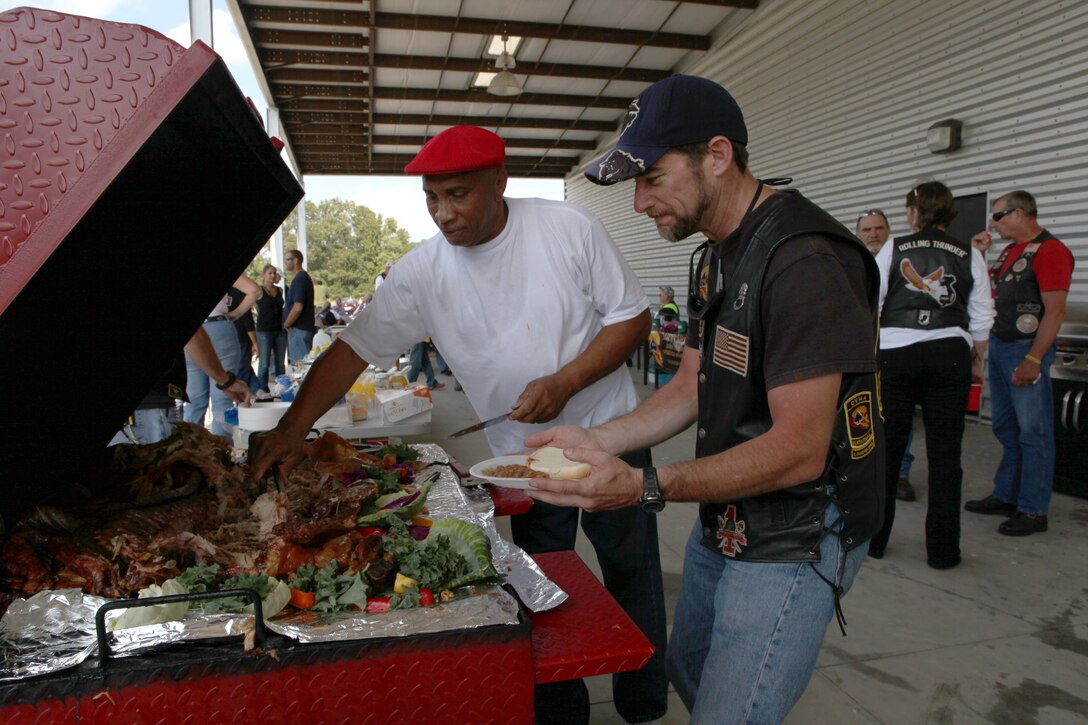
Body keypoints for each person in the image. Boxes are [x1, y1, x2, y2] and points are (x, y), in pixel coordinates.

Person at [249, 125, 668, 725]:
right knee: (545, 589)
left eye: (458, 195)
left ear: (499, 182)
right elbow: (351, 351)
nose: (443, 214)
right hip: (522, 457)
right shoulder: (420, 274)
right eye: (432, 198)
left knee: (630, 570)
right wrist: (292, 428)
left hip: (611, 438)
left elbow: (631, 320)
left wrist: (565, 382)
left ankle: (644, 701)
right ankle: (561, 712)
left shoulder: (567, 229)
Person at [523, 74, 883, 724]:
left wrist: (642, 486)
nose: (638, 204)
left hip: (798, 532)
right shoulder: (714, 256)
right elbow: (690, 384)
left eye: (652, 177)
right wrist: (597, 439)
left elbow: (801, 451)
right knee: (686, 665)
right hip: (730, 512)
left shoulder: (805, 260)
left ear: (717, 155)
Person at [867, 182, 994, 568]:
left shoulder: (895, 247)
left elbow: (871, 299)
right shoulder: (969, 253)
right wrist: (977, 360)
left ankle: (875, 541)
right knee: (945, 455)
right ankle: (942, 552)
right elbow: (982, 313)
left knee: (886, 451)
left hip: (896, 353)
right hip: (948, 355)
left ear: (913, 212)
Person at [965, 191, 1074, 536]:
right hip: (1000, 345)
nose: (992, 224)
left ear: (1021, 213)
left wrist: (1033, 359)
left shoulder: (1052, 251)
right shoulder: (1011, 252)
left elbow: (1054, 312)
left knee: (1033, 433)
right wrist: (980, 255)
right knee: (1007, 429)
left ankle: (1033, 510)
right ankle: (1007, 494)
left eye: (997, 216)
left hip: (1025, 349)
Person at [857, 207, 917, 501]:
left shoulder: (900, 260)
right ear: (857, 234)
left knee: (895, 413)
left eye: (879, 228)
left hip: (894, 348)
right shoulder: (851, 262)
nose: (873, 234)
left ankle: (899, 473)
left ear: (888, 232)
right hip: (859, 350)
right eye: (867, 229)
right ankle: (862, 470)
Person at [115, 327, 251, 445]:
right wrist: (225, 381)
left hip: (145, 410)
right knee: (160, 470)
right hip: (148, 408)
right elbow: (195, 337)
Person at [183, 275, 259, 438]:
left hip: (190, 339)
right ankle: (221, 456)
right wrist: (235, 314)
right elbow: (254, 290)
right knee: (222, 399)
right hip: (217, 326)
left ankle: (188, 453)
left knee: (193, 402)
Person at [255, 264, 287, 393]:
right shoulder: (258, 290)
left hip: (279, 329)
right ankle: (262, 388)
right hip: (264, 330)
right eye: (270, 273)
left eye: (274, 273)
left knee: (280, 362)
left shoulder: (280, 290)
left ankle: (281, 387)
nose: (273, 275)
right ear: (263, 274)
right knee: (264, 363)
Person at [283, 249, 316, 363]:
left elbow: (298, 306)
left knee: (300, 366)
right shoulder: (303, 278)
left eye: (288, 259)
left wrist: (287, 323)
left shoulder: (300, 279)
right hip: (302, 328)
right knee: (302, 364)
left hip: (298, 329)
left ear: (296, 260)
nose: (285, 262)